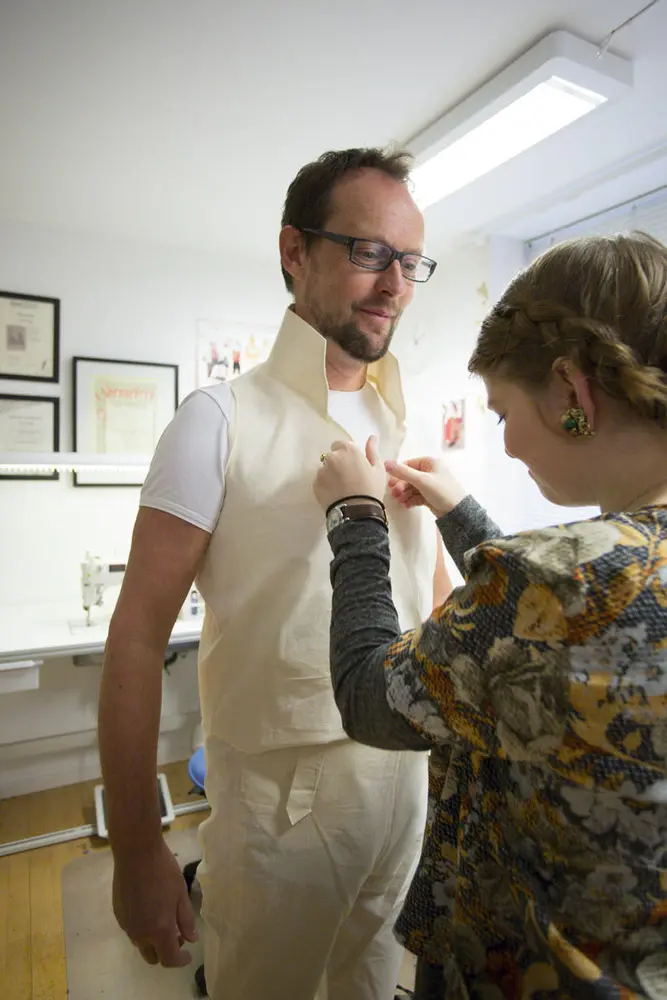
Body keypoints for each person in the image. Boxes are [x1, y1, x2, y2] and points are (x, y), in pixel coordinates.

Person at [98, 146, 451, 1000]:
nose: (394, 285)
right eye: (369, 252)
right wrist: (139, 849)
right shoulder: (216, 421)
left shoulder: (399, 418)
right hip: (279, 806)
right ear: (295, 251)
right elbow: (137, 639)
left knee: (372, 983)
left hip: (405, 780)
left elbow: (431, 594)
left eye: (409, 262)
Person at [313, 231, 667, 999]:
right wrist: (464, 517)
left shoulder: (553, 581)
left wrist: (355, 518)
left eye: (502, 414)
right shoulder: (602, 576)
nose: (504, 446)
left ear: (571, 393)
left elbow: (369, 698)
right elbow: (574, 641)